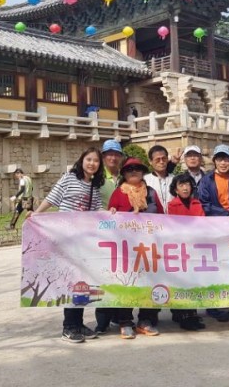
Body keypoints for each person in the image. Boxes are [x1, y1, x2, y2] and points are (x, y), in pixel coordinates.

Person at [31, 147, 105, 344]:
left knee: (82, 282)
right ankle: (68, 326)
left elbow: (97, 210)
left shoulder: (94, 186)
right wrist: (37, 213)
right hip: (66, 237)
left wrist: (112, 214)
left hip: (83, 240)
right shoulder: (69, 178)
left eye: (96, 161)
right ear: (82, 161)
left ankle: (78, 323)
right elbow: (53, 197)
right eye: (88, 159)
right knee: (71, 281)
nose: (92, 163)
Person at [108, 157, 164, 337]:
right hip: (126, 247)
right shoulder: (118, 193)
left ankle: (145, 319)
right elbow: (110, 217)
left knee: (148, 282)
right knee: (127, 282)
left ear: (143, 172)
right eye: (129, 169)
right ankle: (125, 321)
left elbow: (162, 217)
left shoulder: (151, 193)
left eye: (137, 169)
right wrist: (113, 213)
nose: (133, 172)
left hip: (148, 245)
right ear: (124, 173)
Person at [197, 144, 229, 322]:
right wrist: (226, 214)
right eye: (219, 159)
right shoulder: (207, 180)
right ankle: (215, 306)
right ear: (214, 161)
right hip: (215, 228)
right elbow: (203, 203)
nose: (223, 162)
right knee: (215, 267)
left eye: (226, 159)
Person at [166, 173, 206, 331]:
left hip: (195, 248)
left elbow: (202, 223)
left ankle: (192, 313)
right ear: (175, 189)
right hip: (179, 249)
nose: (185, 188)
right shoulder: (172, 205)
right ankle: (182, 314)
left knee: (193, 281)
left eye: (187, 184)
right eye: (181, 185)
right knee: (181, 282)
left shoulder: (197, 203)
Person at [95, 139, 125, 334]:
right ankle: (103, 320)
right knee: (104, 276)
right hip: (103, 233)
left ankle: (120, 316)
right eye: (109, 154)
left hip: (124, 234)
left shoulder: (127, 176)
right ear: (103, 157)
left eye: (116, 154)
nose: (112, 157)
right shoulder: (96, 178)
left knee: (123, 275)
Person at [144, 145, 176, 212]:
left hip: (173, 219)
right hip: (153, 220)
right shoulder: (145, 181)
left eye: (164, 159)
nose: (161, 162)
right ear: (150, 161)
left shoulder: (175, 179)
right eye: (157, 160)